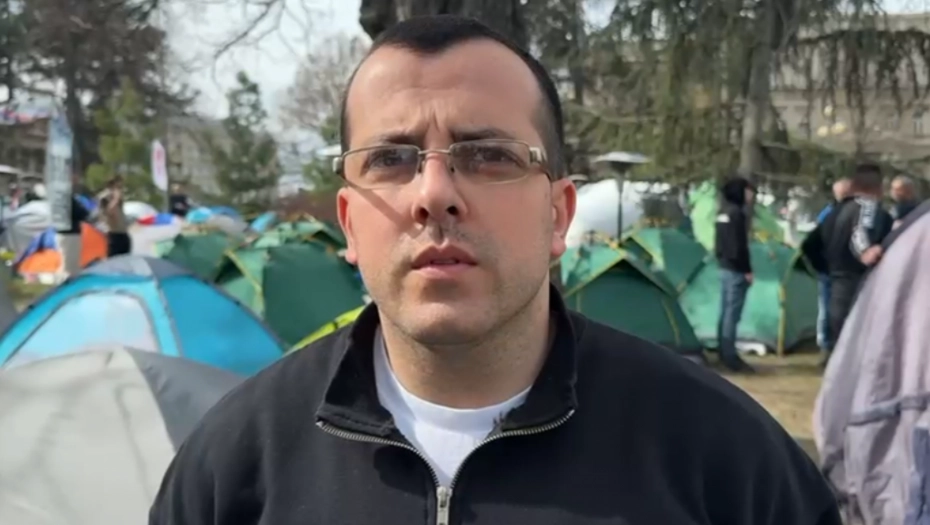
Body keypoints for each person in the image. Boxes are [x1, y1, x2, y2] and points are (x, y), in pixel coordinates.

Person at [150, 15, 841, 525]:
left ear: (558, 213)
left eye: (489, 156)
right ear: (349, 221)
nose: (434, 194)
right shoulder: (234, 466)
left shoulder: (725, 460)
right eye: (390, 159)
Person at [802, 163, 892, 365]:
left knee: (842, 343)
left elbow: (810, 244)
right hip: (859, 282)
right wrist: (865, 252)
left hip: (837, 281)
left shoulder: (835, 211)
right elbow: (859, 231)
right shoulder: (867, 206)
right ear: (877, 186)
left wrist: (825, 269)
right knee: (859, 345)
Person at [714, 176, 756, 373]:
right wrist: (746, 269)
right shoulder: (737, 214)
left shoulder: (722, 212)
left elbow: (719, 244)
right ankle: (730, 356)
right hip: (736, 270)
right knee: (732, 314)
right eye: (748, 191)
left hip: (724, 267)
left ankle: (723, 349)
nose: (751, 195)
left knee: (725, 312)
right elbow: (739, 246)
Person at [814, 178, 851, 354]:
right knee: (829, 307)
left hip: (834, 268)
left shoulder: (827, 213)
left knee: (829, 307)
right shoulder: (830, 213)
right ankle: (827, 344)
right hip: (834, 269)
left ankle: (830, 344)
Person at [98, 176, 131, 257]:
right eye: (118, 187)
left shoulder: (118, 201)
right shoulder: (106, 197)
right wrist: (115, 199)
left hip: (123, 235)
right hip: (114, 236)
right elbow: (109, 211)